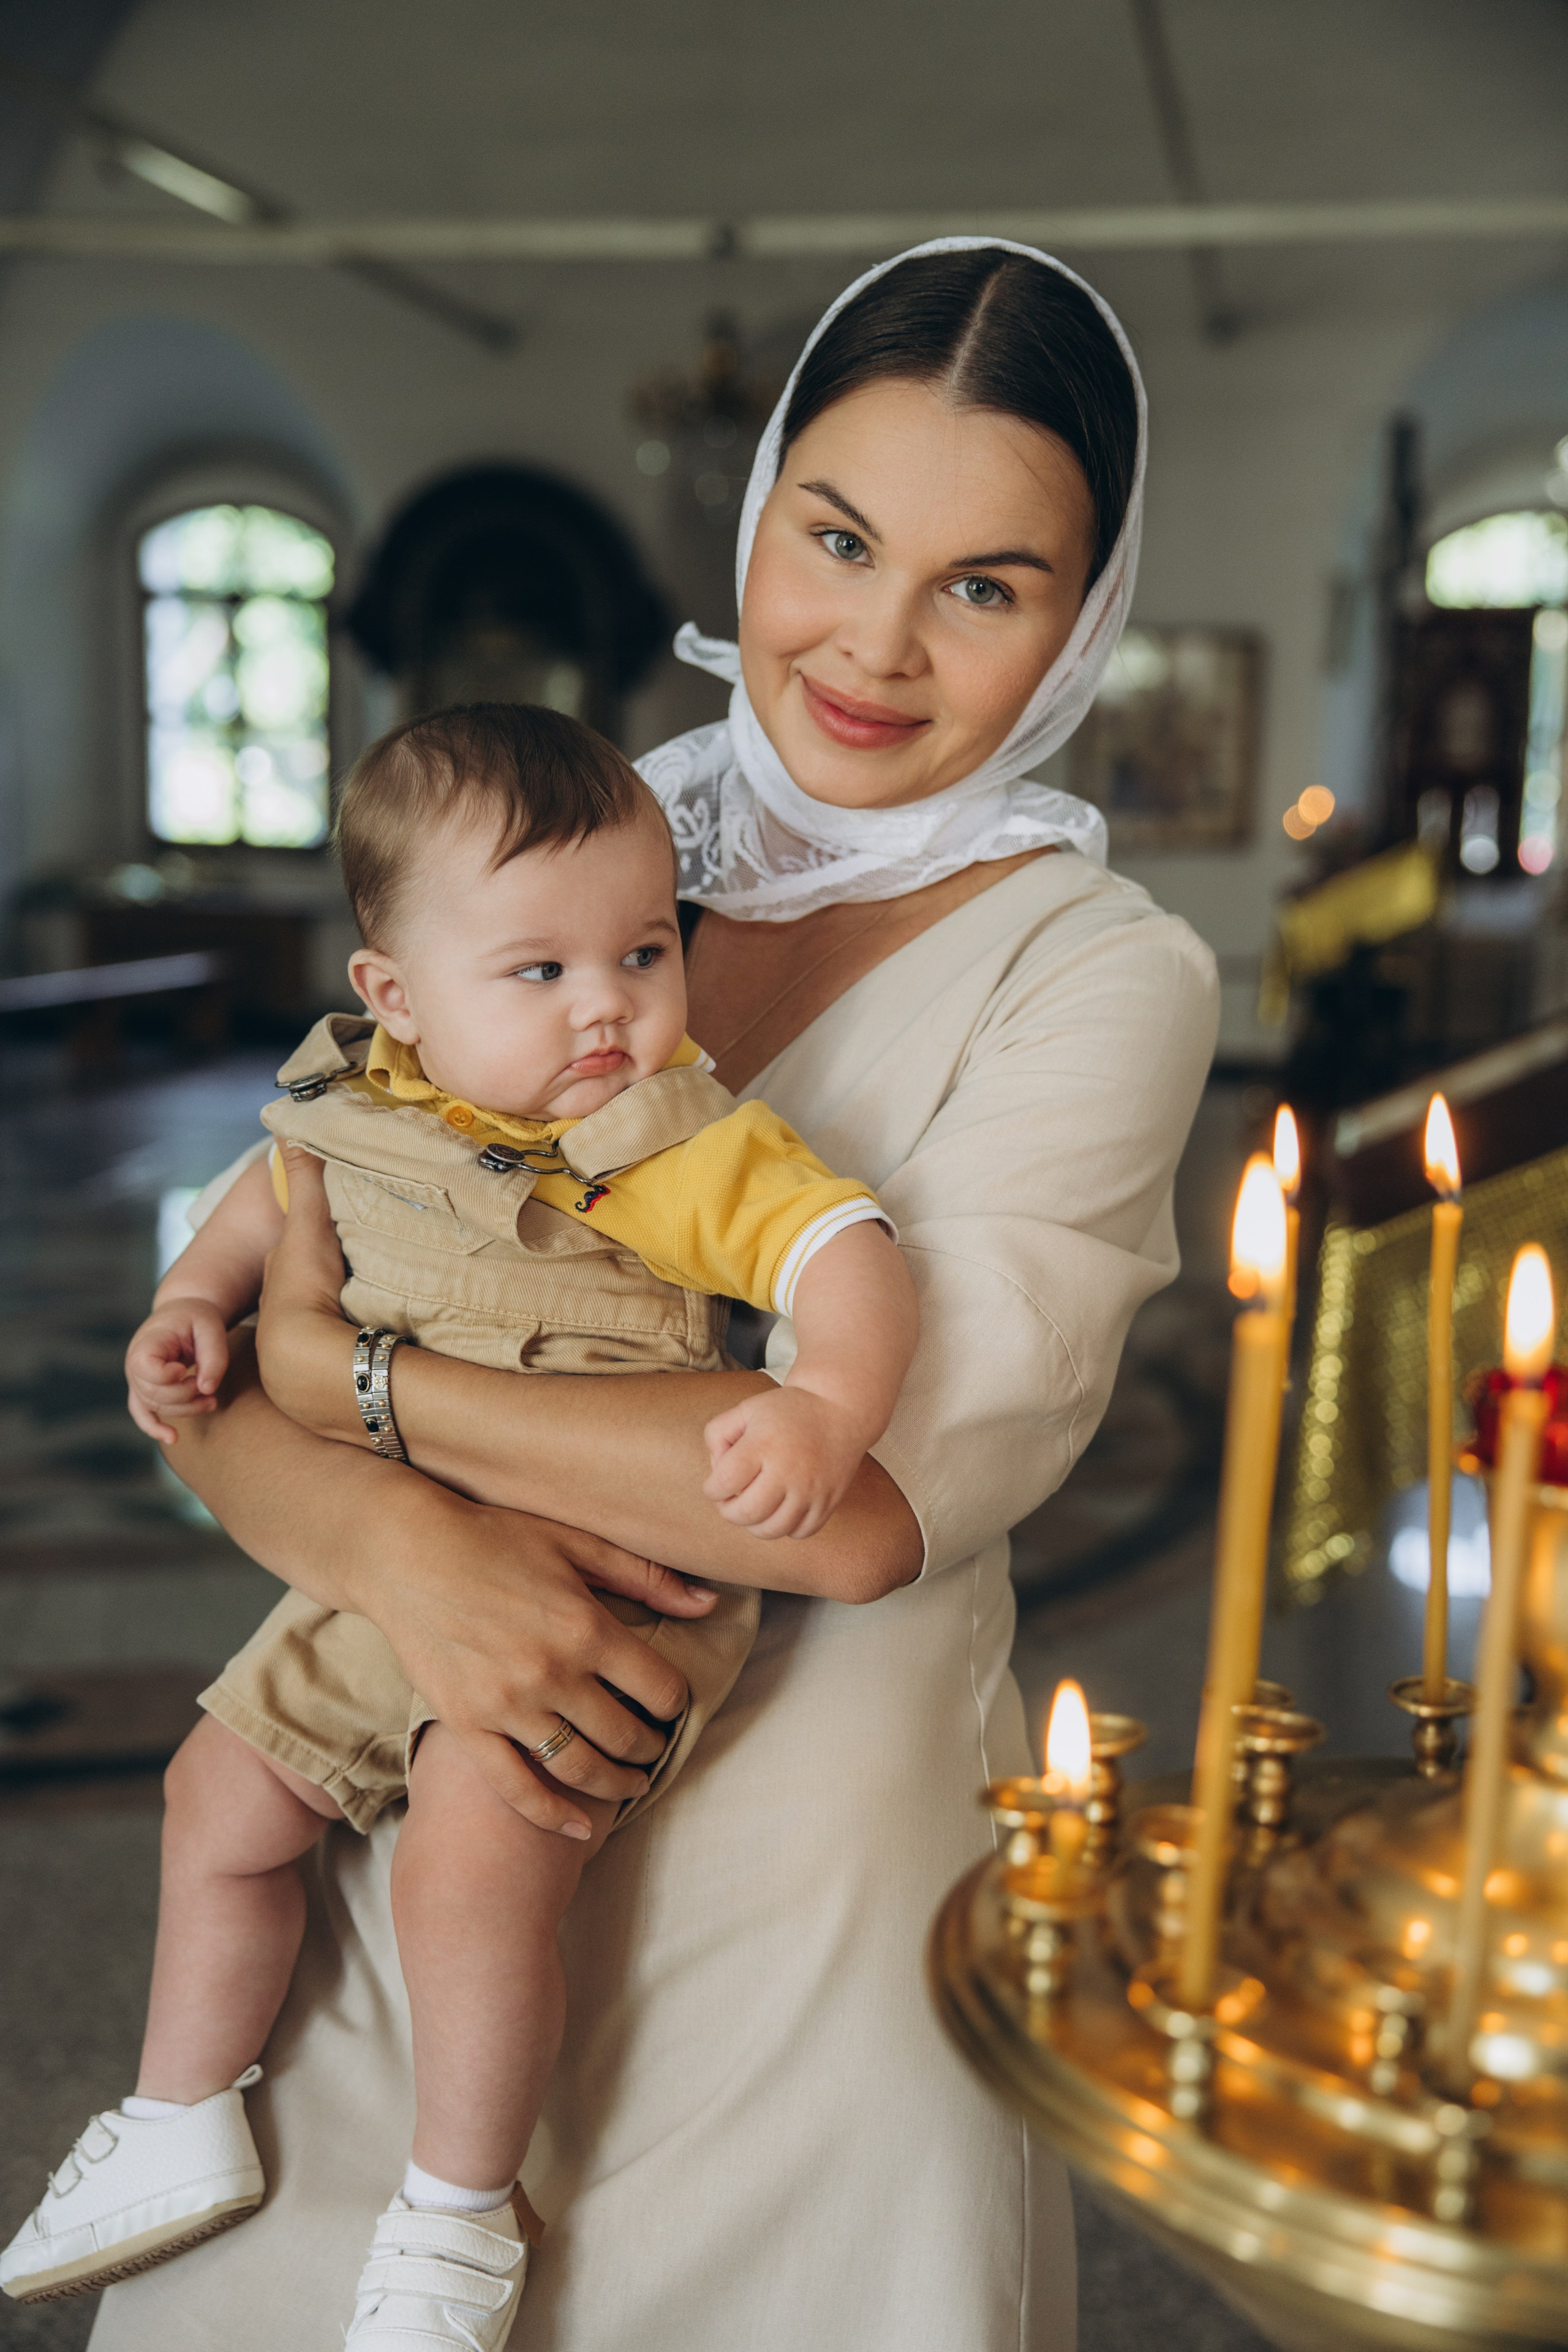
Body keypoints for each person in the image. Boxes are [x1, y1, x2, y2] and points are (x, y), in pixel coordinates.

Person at [85, 239, 1219, 2352]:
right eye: (840, 535)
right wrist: (408, 1555)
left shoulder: (1104, 969)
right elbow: (235, 1357)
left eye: (987, 584)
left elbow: (865, 1502)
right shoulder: (593, 831)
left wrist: (370, 1387)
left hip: (803, 1873)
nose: (874, 643)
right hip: (434, 1767)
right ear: (761, 502)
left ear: (1086, 618)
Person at [2, 707, 914, 2345]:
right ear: (394, 998)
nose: (611, 1009)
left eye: (645, 950)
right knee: (215, 1794)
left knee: (471, 1843)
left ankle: (457, 2213)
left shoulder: (664, 1133)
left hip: (604, 1583)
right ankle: (179, 2114)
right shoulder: (365, 1094)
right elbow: (272, 1191)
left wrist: (827, 1402)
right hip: (396, 1550)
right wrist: (191, 1305)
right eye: (541, 971)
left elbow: (838, 1246)